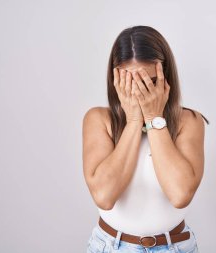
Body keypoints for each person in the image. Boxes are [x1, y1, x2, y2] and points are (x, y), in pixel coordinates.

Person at [83, 25, 209, 253]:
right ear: (115, 79)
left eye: (148, 82)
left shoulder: (188, 121)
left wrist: (153, 118)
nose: (140, 94)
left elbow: (180, 195)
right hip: (111, 247)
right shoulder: (98, 119)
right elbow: (104, 196)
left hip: (174, 247)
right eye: (131, 83)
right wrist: (133, 121)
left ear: (165, 78)